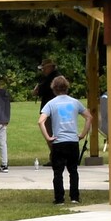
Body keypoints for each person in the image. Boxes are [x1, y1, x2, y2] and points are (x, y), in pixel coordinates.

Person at [38, 74, 89, 205]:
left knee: (58, 172)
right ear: (67, 87)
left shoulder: (51, 103)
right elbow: (89, 117)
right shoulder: (75, 102)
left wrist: (48, 137)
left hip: (58, 141)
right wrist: (82, 134)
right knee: (73, 170)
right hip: (72, 141)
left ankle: (59, 198)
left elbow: (41, 121)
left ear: (53, 88)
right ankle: (74, 197)